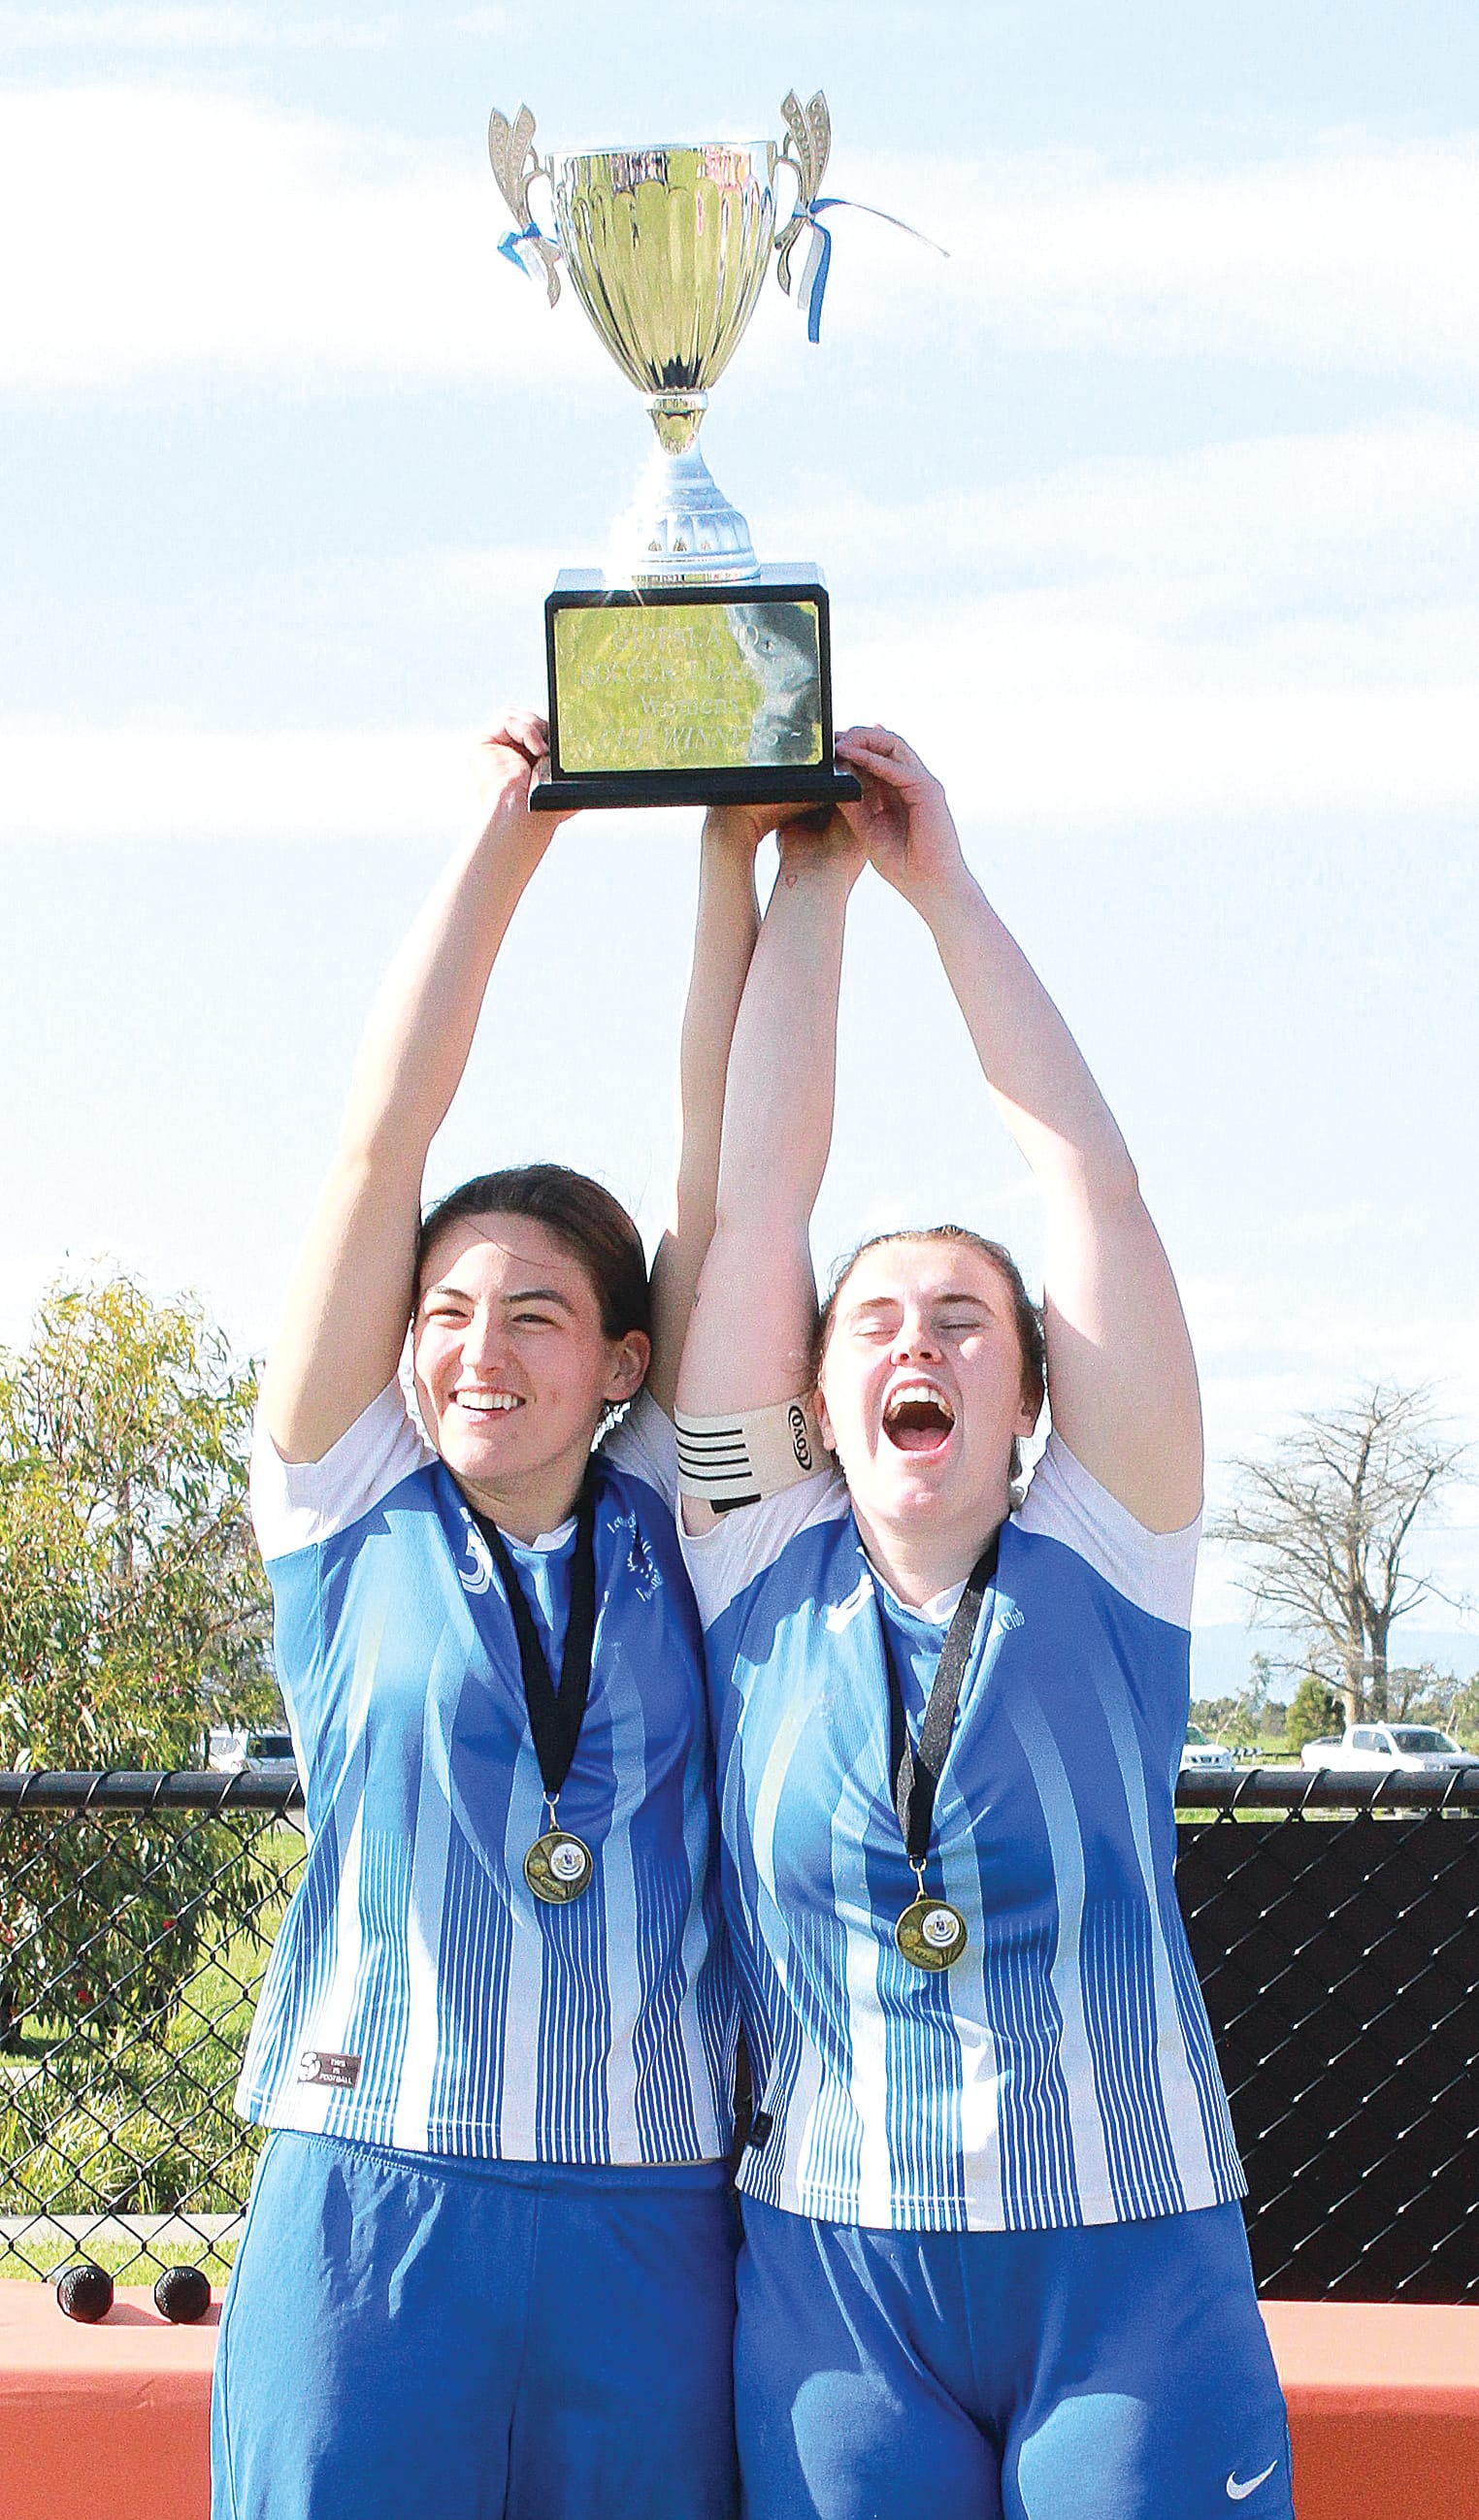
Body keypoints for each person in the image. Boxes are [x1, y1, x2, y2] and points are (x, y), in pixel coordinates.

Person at [674, 727, 1295, 2519]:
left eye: (965, 1319)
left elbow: (1089, 1187)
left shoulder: (1111, 1548)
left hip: (1129, 2266)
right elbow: (760, 1201)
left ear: (1031, 1396)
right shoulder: (751, 1559)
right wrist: (815, 880)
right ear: (813, 1390)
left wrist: (944, 881)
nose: (918, 1345)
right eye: (876, 1321)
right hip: (840, 2283)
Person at [212, 712, 765, 2520]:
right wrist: (503, 841)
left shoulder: (685, 1519)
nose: (479, 1346)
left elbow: (719, 1183)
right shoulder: (342, 1502)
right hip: (371, 2198)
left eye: (538, 1314)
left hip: (648, 2201)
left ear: (620, 1359)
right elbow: (382, 1143)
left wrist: (730, 859)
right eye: (448, 1308)